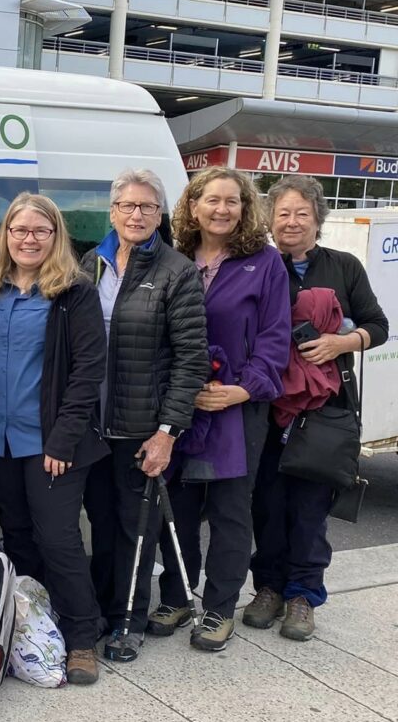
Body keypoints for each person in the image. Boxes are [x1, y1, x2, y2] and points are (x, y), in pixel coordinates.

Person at [153, 167, 290, 653]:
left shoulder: (265, 263)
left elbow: (276, 340)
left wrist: (242, 390)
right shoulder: (173, 259)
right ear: (193, 206)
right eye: (212, 200)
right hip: (180, 404)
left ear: (245, 208)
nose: (222, 209)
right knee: (179, 508)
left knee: (232, 511)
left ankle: (218, 608)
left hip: (237, 409)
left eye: (232, 201)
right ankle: (176, 596)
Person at [247, 175, 389, 641]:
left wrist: (340, 342)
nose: (292, 222)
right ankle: (267, 587)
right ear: (270, 220)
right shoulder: (260, 265)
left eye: (301, 213)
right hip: (268, 407)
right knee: (266, 503)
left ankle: (303, 595)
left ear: (318, 219)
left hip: (324, 410)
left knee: (310, 507)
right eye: (283, 213)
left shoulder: (344, 267)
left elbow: (378, 326)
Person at [0, 193, 108, 685]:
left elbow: (87, 371)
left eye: (40, 231)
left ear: (56, 236)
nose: (28, 239)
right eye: (19, 230)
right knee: (20, 538)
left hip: (52, 444)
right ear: (6, 235)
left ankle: (81, 638)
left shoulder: (73, 292)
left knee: (59, 540)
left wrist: (63, 440)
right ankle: (34, 625)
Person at [79, 169, 208, 662]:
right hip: (93, 426)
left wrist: (166, 433)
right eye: (127, 206)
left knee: (137, 529)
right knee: (102, 524)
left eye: (147, 208)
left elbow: (191, 358)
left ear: (160, 215)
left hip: (142, 430)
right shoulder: (91, 263)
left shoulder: (176, 271)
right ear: (111, 212)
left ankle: (128, 621)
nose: (136, 215)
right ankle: (100, 613)